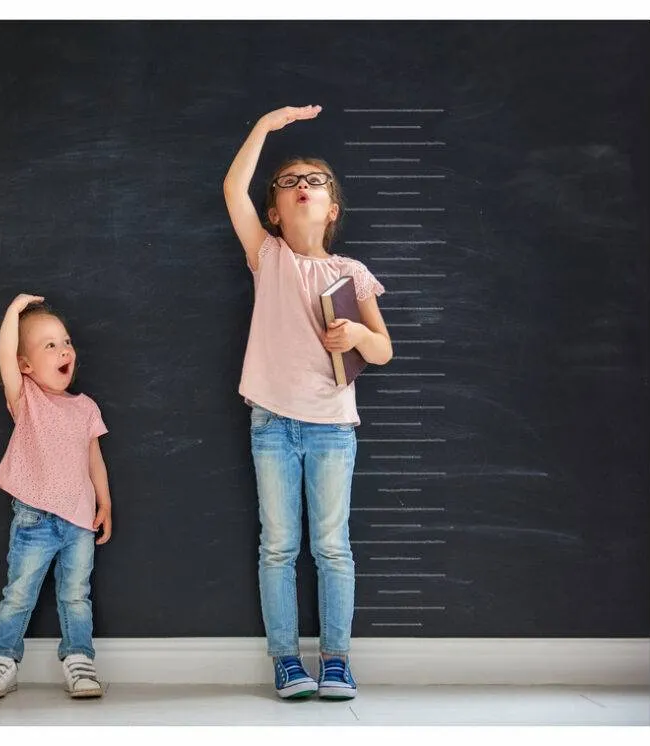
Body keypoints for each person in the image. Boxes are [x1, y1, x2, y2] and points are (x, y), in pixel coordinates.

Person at [223, 105, 393, 700]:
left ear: (332, 209)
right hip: (270, 421)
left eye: (314, 182)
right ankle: (286, 663)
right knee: (278, 546)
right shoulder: (267, 256)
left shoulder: (350, 271)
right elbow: (230, 187)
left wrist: (357, 337)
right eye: (289, 182)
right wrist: (265, 127)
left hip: (330, 427)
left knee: (331, 546)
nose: (301, 187)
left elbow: (384, 350)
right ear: (275, 209)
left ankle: (338, 660)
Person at [0, 293, 113, 699]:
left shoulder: (85, 407)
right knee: (18, 593)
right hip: (34, 519)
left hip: (79, 521)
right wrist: (14, 312)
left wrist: (104, 503)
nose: (63, 349)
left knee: (76, 596)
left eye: (65, 341)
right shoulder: (26, 399)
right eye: (49, 345)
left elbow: (95, 460)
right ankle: (1, 661)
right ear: (25, 365)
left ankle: (80, 660)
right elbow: (4, 352)